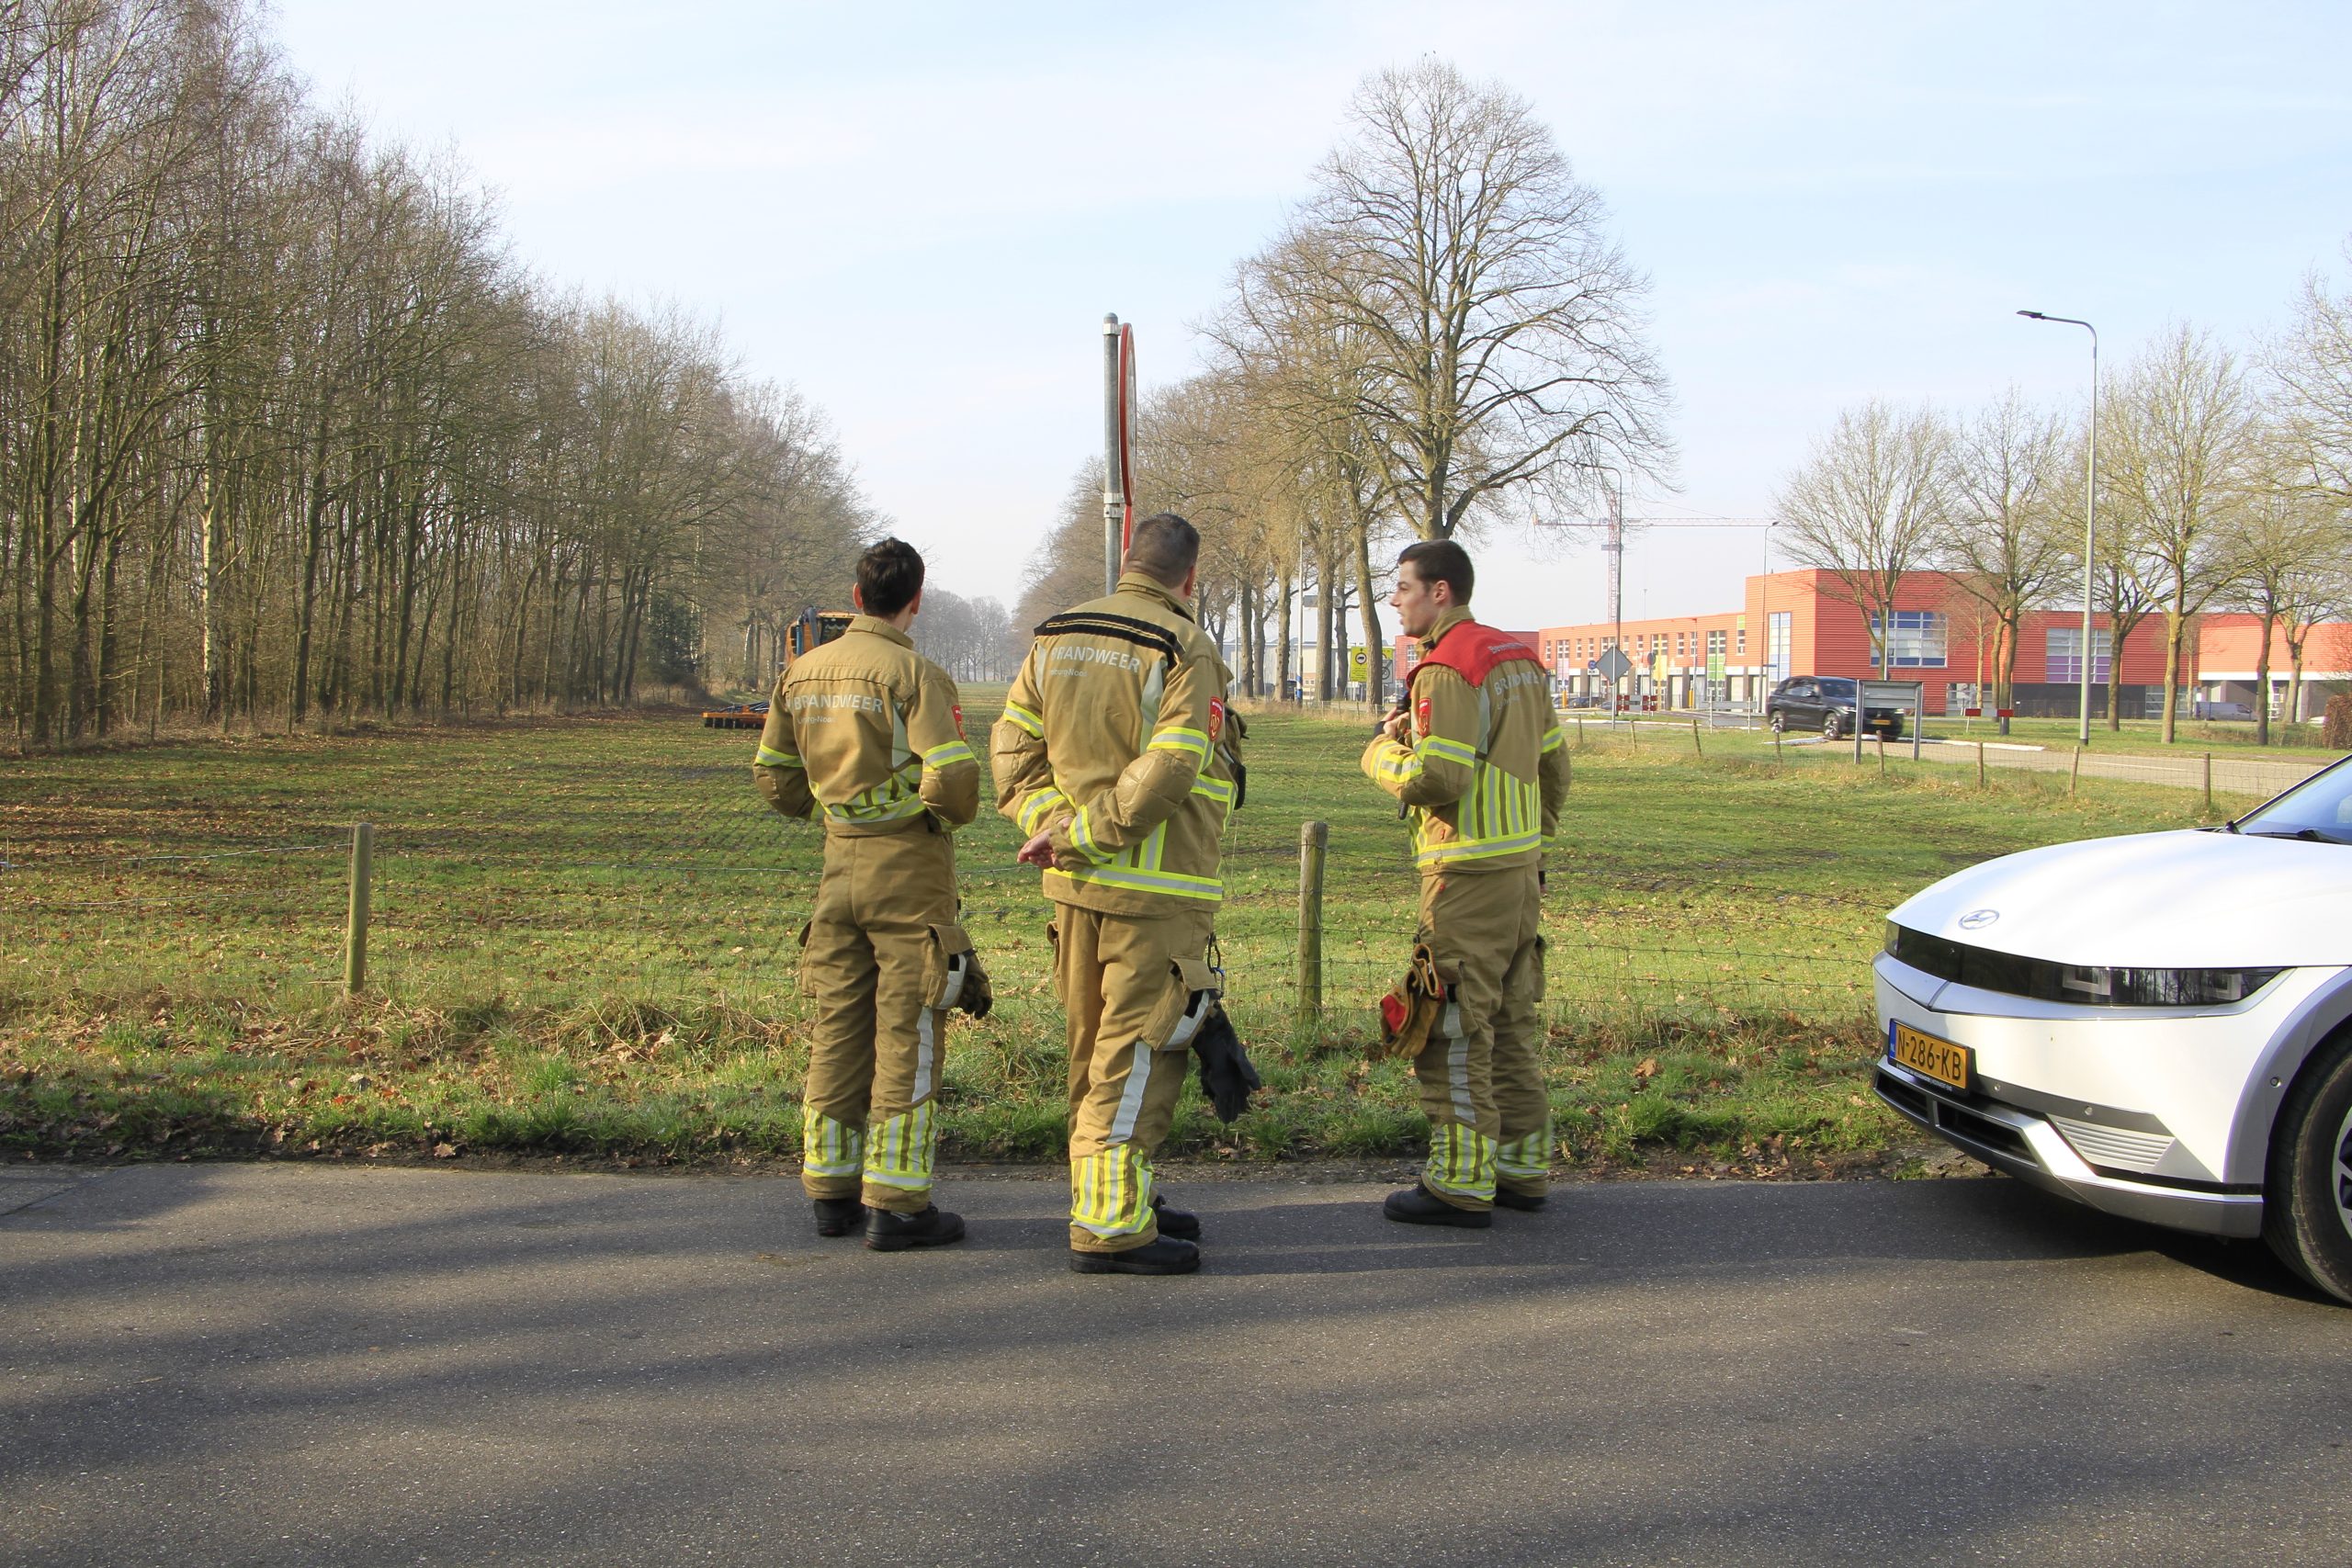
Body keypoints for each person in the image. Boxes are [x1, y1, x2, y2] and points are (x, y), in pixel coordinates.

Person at [991, 513, 1245, 1276]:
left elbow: (1011, 747)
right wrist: (1089, 832)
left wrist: (1052, 826)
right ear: (1189, 579)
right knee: (1135, 1055)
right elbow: (1170, 768)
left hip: (1073, 890)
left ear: (1131, 561)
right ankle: (1110, 1227)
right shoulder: (1185, 646)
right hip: (1152, 891)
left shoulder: (1057, 635)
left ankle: (1111, 1193)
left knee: (1090, 1053)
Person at [753, 538, 981, 1250]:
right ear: (914, 600)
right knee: (907, 1030)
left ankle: (830, 1191)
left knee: (837, 1027)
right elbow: (953, 781)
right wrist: (927, 816)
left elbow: (774, 775)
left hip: (837, 869)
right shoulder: (916, 675)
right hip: (906, 871)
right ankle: (898, 1204)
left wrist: (827, 809)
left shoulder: (801, 671)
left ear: (856, 597)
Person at [1362, 539, 1568, 1226]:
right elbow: (1554, 768)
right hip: (1519, 876)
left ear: (1440, 591)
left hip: (1465, 879)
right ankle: (1522, 1170)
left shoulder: (1446, 667)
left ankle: (1458, 1183)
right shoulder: (1519, 660)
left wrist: (1382, 755)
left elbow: (1441, 778)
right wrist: (1532, 843)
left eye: (1404, 588)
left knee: (1449, 1026)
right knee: (1510, 1026)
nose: (1396, 600)